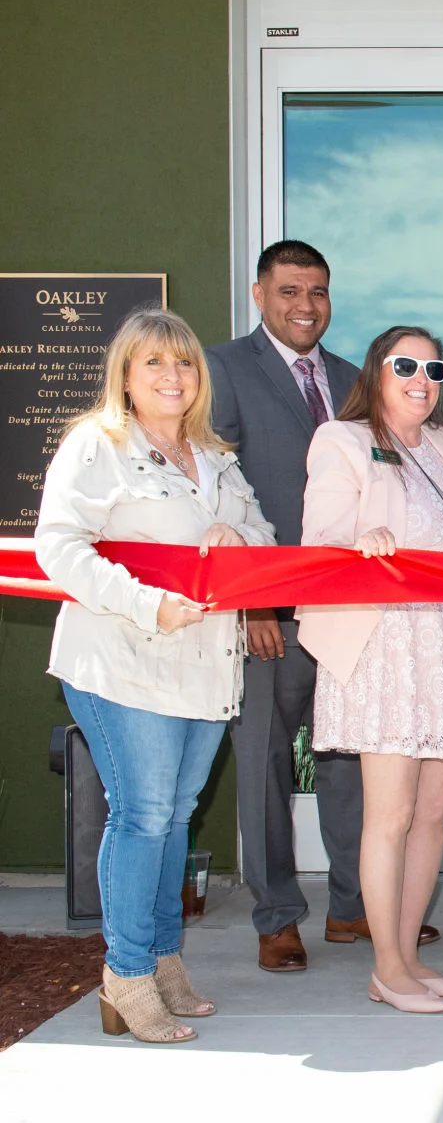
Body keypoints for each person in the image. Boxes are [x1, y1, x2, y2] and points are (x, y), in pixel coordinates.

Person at [37, 307, 277, 1042]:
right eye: (154, 364)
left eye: (184, 364)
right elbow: (59, 547)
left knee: (175, 816)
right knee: (141, 814)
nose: (172, 377)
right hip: (122, 658)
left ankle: (164, 957)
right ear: (127, 376)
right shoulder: (96, 445)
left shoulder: (216, 456)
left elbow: (264, 542)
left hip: (205, 670)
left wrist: (234, 534)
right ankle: (127, 975)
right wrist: (148, 604)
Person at [209, 241, 440, 974]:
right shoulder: (224, 370)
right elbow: (217, 490)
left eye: (317, 290)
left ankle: (356, 907)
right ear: (259, 293)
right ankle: (277, 914)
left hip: (351, 615)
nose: (304, 304)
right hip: (270, 612)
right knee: (266, 762)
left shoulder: (352, 379)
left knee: (348, 760)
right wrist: (251, 603)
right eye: (288, 290)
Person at [297, 326, 443, 1014]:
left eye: (433, 367)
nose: (420, 378)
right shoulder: (341, 438)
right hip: (384, 644)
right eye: (405, 365)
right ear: (378, 370)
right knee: (388, 815)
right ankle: (384, 967)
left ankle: (411, 958)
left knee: (430, 815)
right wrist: (358, 541)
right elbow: (321, 536)